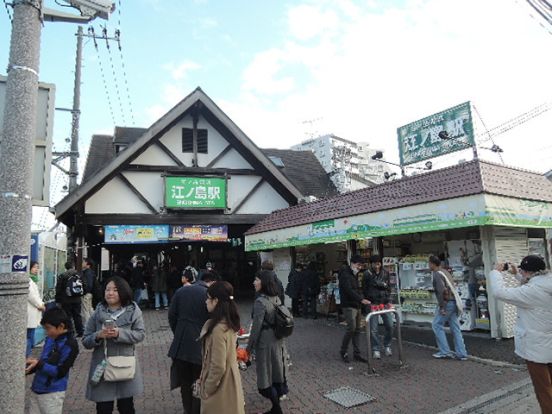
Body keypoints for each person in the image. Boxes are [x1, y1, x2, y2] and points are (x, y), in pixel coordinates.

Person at [489, 255, 552, 413]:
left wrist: (496, 272)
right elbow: (530, 285)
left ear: (528, 272)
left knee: (544, 390)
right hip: (548, 343)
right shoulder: (547, 282)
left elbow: (499, 292)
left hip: (537, 349)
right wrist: (516, 273)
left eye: (522, 271)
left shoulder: (532, 292)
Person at [83, 277, 145, 414]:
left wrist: (119, 334)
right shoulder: (97, 313)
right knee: (103, 408)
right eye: (107, 290)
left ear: (123, 292)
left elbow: (140, 335)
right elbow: (85, 340)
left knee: (126, 407)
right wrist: (98, 335)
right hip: (102, 366)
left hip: (125, 365)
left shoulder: (133, 311)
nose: (110, 293)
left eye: (115, 290)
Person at [168, 271, 218, 414]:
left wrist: (178, 333)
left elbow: (172, 316)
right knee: (199, 380)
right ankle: (198, 410)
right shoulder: (209, 295)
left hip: (180, 346)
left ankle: (187, 410)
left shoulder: (181, 291)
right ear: (212, 282)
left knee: (185, 382)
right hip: (200, 347)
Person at [198, 281, 245, 414]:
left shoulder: (218, 329)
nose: (206, 301)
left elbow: (218, 365)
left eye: (208, 298)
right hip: (230, 382)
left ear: (216, 300)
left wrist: (207, 388)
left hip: (221, 388)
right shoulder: (228, 322)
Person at [246, 270, 288, 414]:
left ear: (262, 282)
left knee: (265, 377)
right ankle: (277, 404)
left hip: (265, 342)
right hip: (277, 340)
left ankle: (276, 409)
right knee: (277, 372)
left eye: (256, 279)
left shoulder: (260, 302)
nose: (254, 282)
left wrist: (248, 348)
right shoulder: (276, 298)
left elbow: (256, 328)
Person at [26, 307, 79, 414]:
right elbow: (44, 360)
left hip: (53, 393)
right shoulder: (50, 339)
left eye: (48, 328)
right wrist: (31, 366)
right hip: (36, 389)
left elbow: (60, 372)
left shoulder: (70, 344)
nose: (46, 332)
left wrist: (39, 364)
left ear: (61, 326)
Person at [429, 255, 468, 360]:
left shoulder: (437, 274)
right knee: (455, 328)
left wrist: (442, 307)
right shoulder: (445, 272)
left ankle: (444, 351)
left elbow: (443, 292)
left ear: (432, 264)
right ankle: (462, 353)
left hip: (447, 303)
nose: (429, 265)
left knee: (436, 325)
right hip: (454, 302)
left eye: (429, 263)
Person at [338, 255, 371, 363]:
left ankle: (357, 353)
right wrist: (361, 299)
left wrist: (361, 299)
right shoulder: (345, 274)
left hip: (357, 305)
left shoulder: (354, 274)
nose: (360, 267)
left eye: (361, 265)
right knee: (351, 328)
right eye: (358, 265)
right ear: (352, 263)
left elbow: (356, 289)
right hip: (349, 305)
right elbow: (348, 290)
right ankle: (343, 351)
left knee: (357, 329)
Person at [363, 255, 393, 359]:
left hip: (384, 302)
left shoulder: (385, 272)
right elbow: (364, 289)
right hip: (373, 303)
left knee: (390, 325)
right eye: (375, 264)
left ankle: (387, 345)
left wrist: (389, 300)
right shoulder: (367, 274)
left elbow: (389, 287)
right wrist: (366, 302)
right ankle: (375, 349)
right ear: (371, 264)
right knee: (373, 329)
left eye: (378, 264)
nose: (377, 266)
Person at [55, 262, 84, 337]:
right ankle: (80, 331)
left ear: (66, 267)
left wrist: (58, 300)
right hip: (77, 299)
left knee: (67, 316)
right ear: (73, 266)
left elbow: (58, 289)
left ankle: (70, 332)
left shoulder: (63, 276)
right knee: (77, 315)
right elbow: (85, 286)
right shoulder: (79, 275)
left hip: (66, 300)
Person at [27, 261, 45, 357]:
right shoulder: (28, 280)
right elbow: (31, 296)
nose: (36, 269)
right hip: (30, 312)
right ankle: (26, 357)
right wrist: (40, 305)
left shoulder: (33, 280)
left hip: (33, 311)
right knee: (28, 337)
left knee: (30, 336)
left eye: (37, 267)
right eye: (34, 267)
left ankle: (27, 356)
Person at [82, 258, 101, 325]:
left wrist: (84, 292)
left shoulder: (88, 272)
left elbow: (89, 285)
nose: (82, 263)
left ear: (88, 265)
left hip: (87, 294)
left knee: (85, 311)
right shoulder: (90, 272)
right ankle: (94, 324)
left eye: (84, 262)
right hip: (90, 293)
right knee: (90, 310)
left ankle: (87, 326)